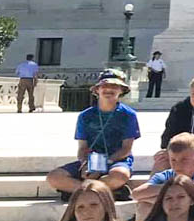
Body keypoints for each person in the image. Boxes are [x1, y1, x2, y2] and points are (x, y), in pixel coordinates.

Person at [47, 69, 139, 202]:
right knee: (54, 177)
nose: (109, 90)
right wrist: (87, 164)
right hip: (91, 159)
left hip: (116, 160)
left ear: (121, 91)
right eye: (105, 86)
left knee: (120, 175)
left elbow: (126, 149)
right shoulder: (85, 116)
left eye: (114, 86)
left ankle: (80, 192)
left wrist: (102, 166)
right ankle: (103, 191)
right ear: (97, 90)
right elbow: (82, 147)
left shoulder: (128, 115)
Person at [131, 133, 194, 221]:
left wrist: (167, 195)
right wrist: (170, 189)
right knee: (144, 205)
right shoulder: (166, 175)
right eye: (173, 160)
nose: (178, 165)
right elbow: (136, 194)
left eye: (184, 160)